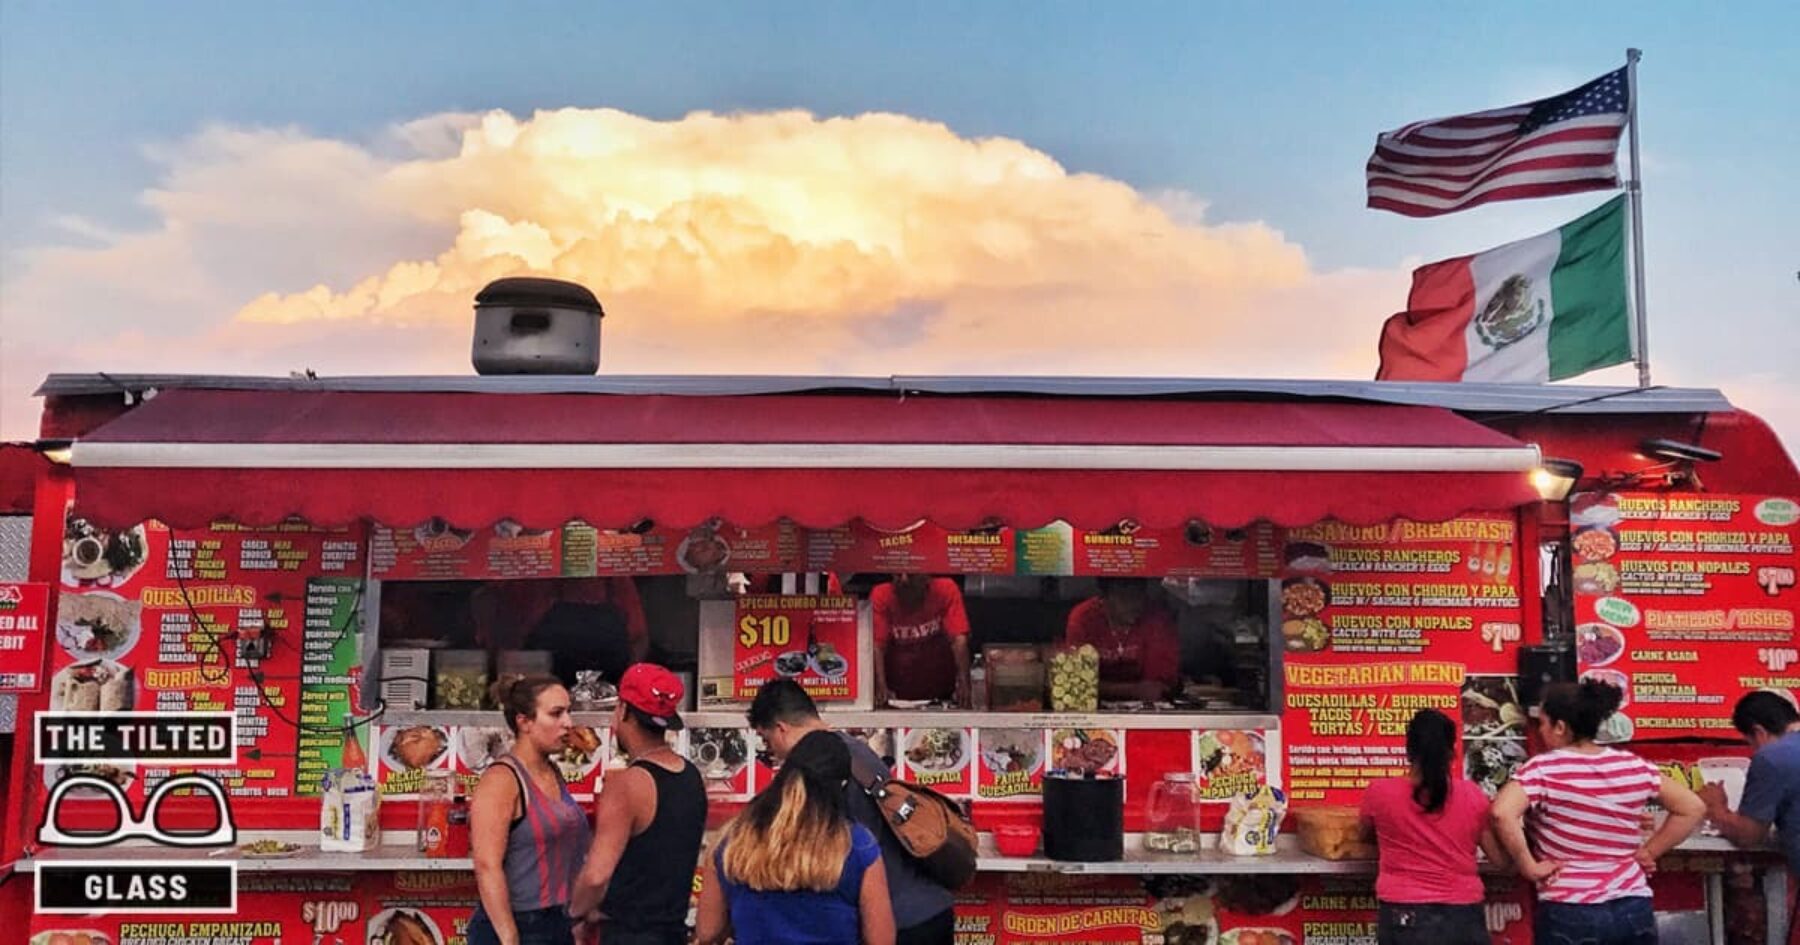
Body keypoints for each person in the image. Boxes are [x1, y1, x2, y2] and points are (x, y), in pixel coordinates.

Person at [1493, 680, 1705, 945]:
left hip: (1569, 906)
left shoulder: (1544, 768)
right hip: (1633, 904)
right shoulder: (1631, 765)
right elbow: (1692, 807)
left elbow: (1502, 812)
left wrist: (1529, 866)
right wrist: (1649, 851)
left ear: (1560, 727)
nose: (1541, 731)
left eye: (1543, 723)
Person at [747, 679, 956, 945]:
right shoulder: (854, 750)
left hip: (900, 922)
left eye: (767, 741)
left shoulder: (823, 769)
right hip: (927, 908)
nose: (772, 753)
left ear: (781, 730)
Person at [696, 729, 896, 945]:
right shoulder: (858, 846)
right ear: (841, 786)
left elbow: (708, 932)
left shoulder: (732, 840)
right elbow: (882, 940)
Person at [569, 664, 708, 945]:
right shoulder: (692, 776)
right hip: (673, 934)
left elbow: (596, 876)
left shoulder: (627, 784)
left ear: (622, 711)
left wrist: (573, 913)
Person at [1360, 709, 1509, 945]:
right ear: (1451, 752)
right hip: (1463, 916)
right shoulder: (1472, 795)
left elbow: (1365, 837)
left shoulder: (1380, 793)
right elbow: (1500, 860)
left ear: (1409, 750)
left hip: (1404, 914)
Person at [469, 675, 593, 945]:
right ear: (524, 722)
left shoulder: (552, 771)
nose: (568, 723)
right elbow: (487, 864)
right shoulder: (502, 780)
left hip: (557, 922)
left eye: (568, 712)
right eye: (556, 714)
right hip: (519, 923)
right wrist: (509, 936)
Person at [1700, 690, 1800, 944]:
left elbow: (1749, 834)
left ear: (1758, 732)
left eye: (1750, 742)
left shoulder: (1773, 757)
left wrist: (1716, 808)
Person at [1064, 578, 1181, 701]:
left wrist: (1104, 688)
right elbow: (1078, 683)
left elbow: (1155, 688)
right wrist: (1132, 690)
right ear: (1105, 597)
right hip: (1093, 704)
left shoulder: (1158, 618)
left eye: (1139, 595)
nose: (1134, 603)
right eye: (1124, 596)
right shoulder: (1083, 618)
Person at [870, 573, 971, 706]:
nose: (904, 581)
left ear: (926, 576)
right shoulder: (881, 595)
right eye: (898, 576)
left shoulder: (945, 589)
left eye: (911, 575)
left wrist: (964, 683)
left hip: (942, 691)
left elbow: (959, 640)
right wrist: (881, 688)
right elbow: (877, 646)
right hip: (896, 694)